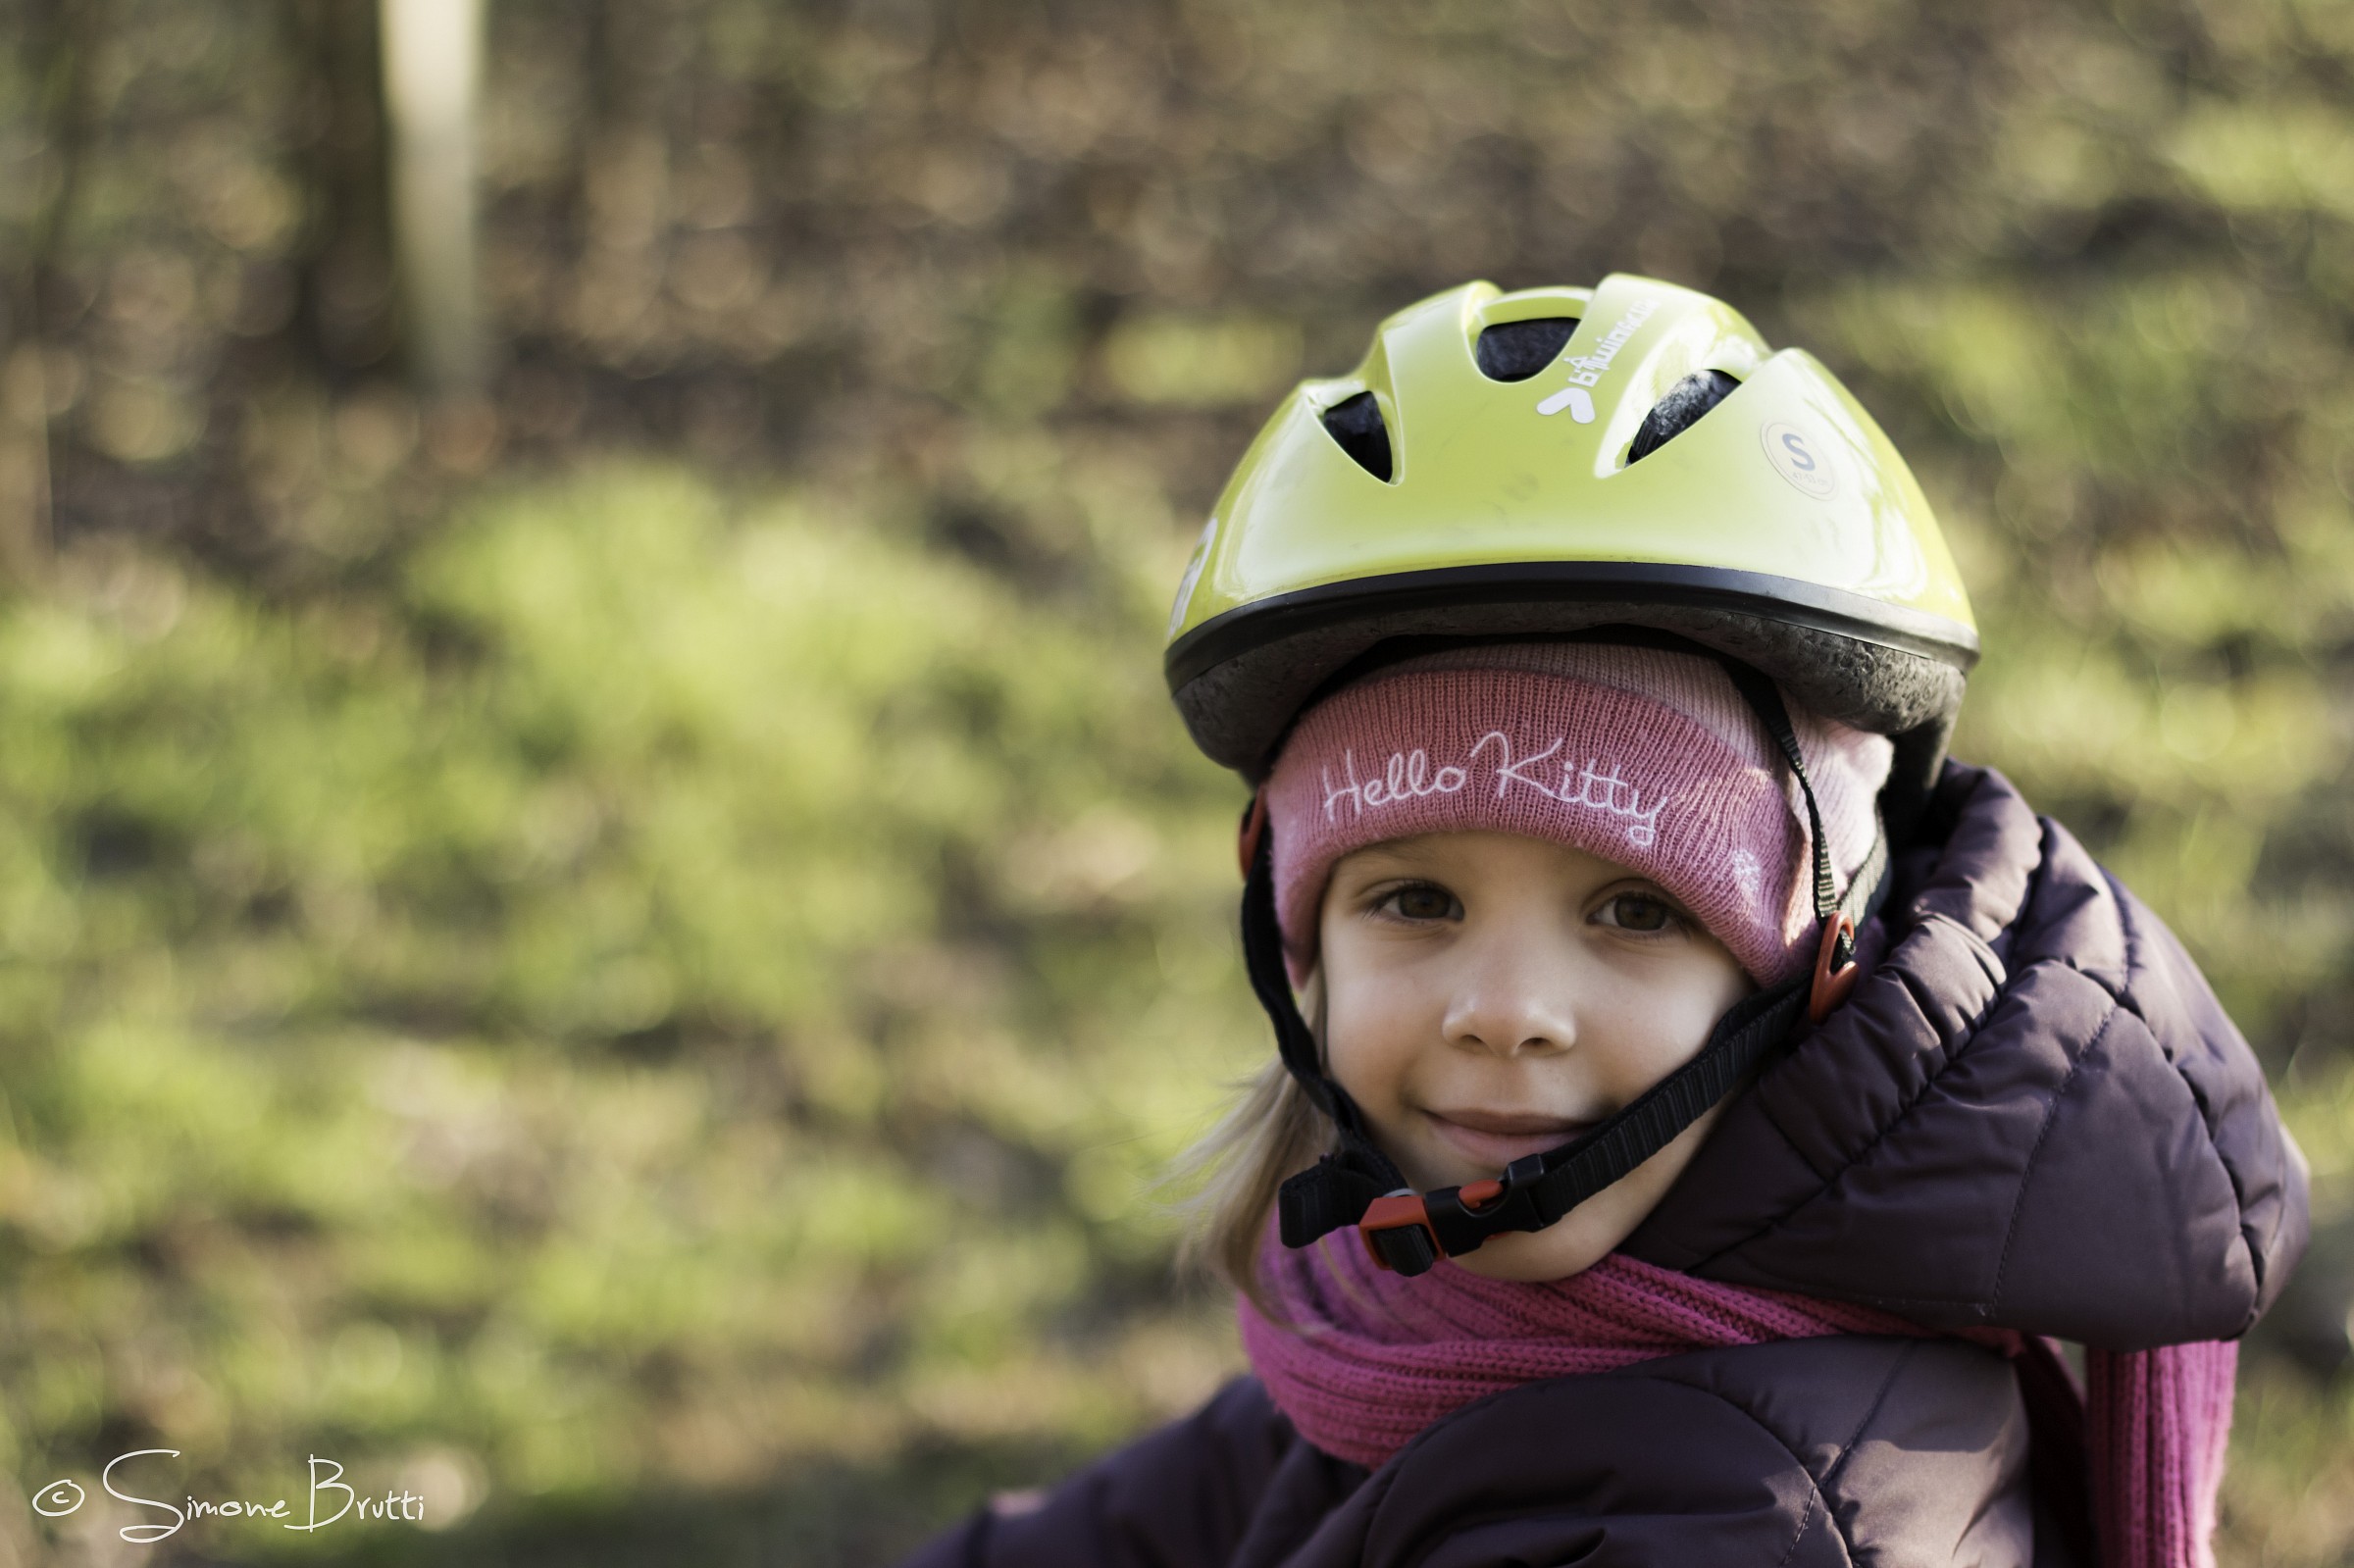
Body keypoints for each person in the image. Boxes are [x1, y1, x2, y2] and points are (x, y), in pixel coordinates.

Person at [896, 276, 2309, 1568]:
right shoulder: (1426, 1323)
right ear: (1294, 941)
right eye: (1415, 900)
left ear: (1822, 962)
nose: (1505, 1010)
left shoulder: (1730, 1515)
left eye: (1637, 910)